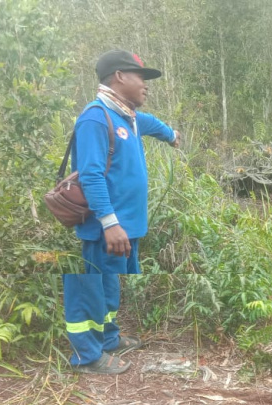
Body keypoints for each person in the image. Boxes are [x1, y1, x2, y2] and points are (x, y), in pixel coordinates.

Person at [63, 49, 180, 374]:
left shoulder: (126, 117)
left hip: (127, 229)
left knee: (110, 286)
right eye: (141, 77)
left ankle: (108, 338)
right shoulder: (95, 118)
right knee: (91, 288)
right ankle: (86, 357)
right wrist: (110, 223)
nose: (146, 85)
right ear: (119, 77)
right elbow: (91, 175)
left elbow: (150, 122)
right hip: (107, 229)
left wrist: (171, 135)